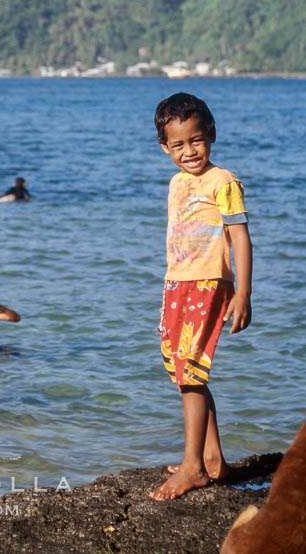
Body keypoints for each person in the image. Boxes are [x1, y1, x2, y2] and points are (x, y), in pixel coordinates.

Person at [150, 92, 252, 501]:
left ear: (210, 134)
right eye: (178, 144)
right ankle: (212, 459)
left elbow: (240, 239)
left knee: (191, 371)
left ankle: (192, 467)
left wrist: (242, 292)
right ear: (165, 147)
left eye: (196, 140)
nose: (189, 151)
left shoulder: (223, 182)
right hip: (177, 283)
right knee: (180, 371)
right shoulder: (177, 182)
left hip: (209, 284)